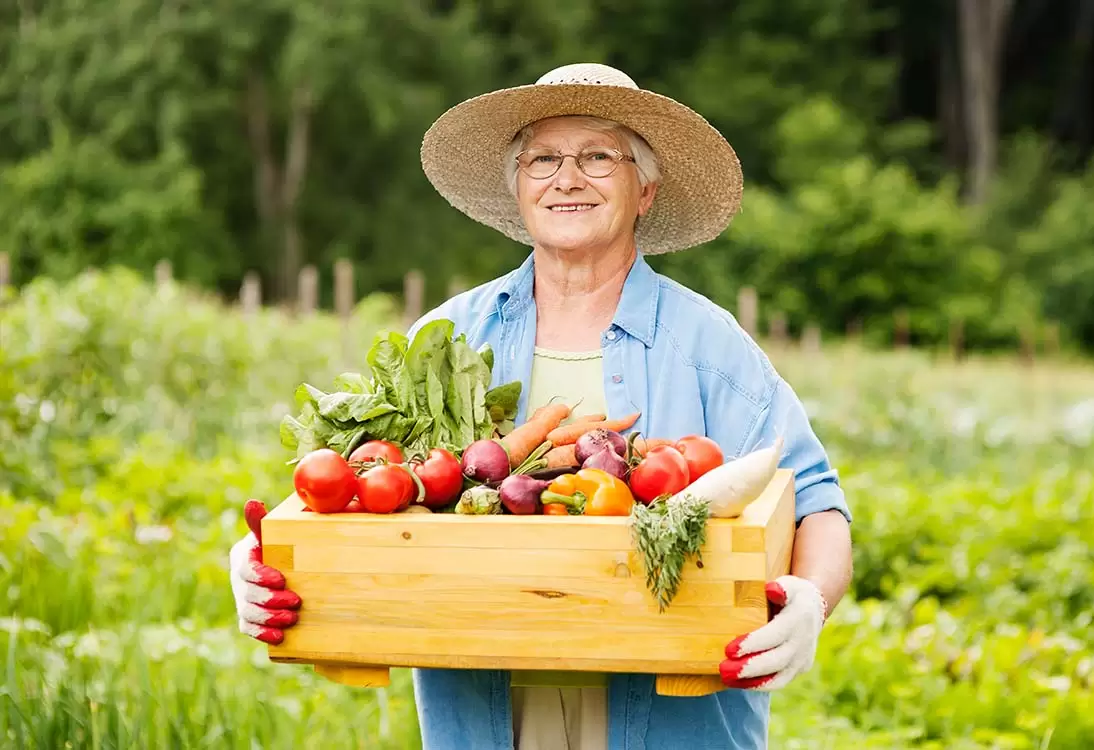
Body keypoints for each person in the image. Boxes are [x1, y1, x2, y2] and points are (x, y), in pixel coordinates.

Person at [229, 62, 853, 750]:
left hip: (672, 720)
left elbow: (818, 504)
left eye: (597, 157)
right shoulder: (452, 338)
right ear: (518, 189)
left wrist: (809, 602)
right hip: (486, 714)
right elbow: (355, 487)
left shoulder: (709, 346)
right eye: (543, 159)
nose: (567, 178)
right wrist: (263, 560)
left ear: (645, 189)